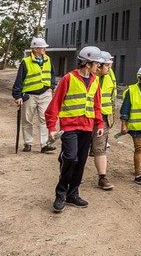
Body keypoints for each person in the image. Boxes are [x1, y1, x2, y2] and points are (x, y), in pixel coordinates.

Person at [45, 45, 105, 213]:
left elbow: (96, 105)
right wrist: (51, 127)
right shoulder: (68, 79)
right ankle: (60, 194)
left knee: (81, 161)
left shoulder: (94, 81)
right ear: (87, 64)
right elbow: (54, 105)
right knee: (71, 158)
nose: (99, 67)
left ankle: (73, 194)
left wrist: (99, 124)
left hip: (87, 127)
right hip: (69, 127)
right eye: (97, 64)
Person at [11, 37, 57, 153]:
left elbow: (52, 75)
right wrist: (17, 96)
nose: (44, 49)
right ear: (35, 49)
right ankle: (28, 143)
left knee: (45, 119)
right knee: (27, 120)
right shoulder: (26, 62)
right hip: (29, 95)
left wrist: (51, 87)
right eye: (42, 48)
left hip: (45, 94)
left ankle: (45, 145)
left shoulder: (48, 60)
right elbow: (19, 80)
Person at [89, 51, 116, 191]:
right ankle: (73, 176)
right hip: (86, 118)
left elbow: (113, 97)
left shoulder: (109, 77)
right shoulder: (87, 78)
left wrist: (111, 115)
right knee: (80, 149)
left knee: (100, 148)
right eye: (107, 66)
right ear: (98, 66)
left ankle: (102, 177)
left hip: (103, 118)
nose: (110, 69)